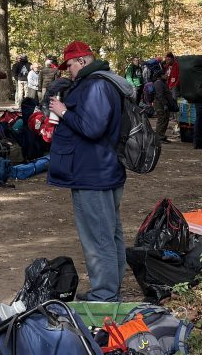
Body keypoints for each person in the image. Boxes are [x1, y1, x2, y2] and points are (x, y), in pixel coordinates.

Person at [47, 40, 131, 302]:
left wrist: (63, 112)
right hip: (104, 169)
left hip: (93, 173)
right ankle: (110, 290)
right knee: (110, 234)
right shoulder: (104, 82)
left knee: (98, 238)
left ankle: (105, 295)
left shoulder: (96, 85)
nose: (68, 70)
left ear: (82, 61)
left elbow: (92, 128)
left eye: (70, 65)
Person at [22, 63, 43, 161]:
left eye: (38, 67)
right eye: (36, 67)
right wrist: (37, 84)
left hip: (37, 89)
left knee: (34, 103)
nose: (37, 68)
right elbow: (30, 81)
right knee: (30, 102)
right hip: (32, 88)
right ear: (33, 67)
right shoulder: (31, 73)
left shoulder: (39, 73)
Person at [148, 64, 172, 143]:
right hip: (160, 104)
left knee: (165, 119)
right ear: (161, 75)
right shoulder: (158, 83)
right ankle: (159, 137)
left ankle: (162, 135)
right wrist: (164, 104)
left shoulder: (162, 82)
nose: (167, 75)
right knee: (161, 120)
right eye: (165, 74)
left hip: (163, 103)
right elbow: (160, 95)